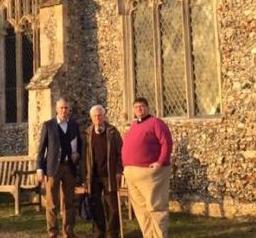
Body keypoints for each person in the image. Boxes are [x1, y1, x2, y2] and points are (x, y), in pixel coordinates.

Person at [120, 97, 173, 238]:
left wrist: (160, 163)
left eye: (142, 106)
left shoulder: (156, 123)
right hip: (132, 174)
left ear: (148, 107)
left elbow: (167, 143)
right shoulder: (134, 125)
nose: (139, 109)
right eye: (136, 107)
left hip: (151, 175)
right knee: (141, 211)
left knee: (156, 207)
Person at [37, 98, 82, 238]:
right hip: (52, 168)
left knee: (69, 202)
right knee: (52, 203)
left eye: (66, 108)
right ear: (56, 109)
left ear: (69, 109)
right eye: (61, 108)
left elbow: (79, 144)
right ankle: (52, 232)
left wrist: (78, 154)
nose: (64, 110)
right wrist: (40, 169)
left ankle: (68, 232)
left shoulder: (74, 125)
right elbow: (41, 149)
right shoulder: (48, 125)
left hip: (69, 168)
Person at [81, 104, 123, 238]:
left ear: (104, 116)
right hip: (93, 176)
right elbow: (84, 158)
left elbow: (120, 154)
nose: (97, 118)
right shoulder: (87, 133)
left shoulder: (113, 132)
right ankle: (99, 232)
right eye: (95, 116)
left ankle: (112, 233)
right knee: (96, 205)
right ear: (91, 118)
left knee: (112, 206)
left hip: (109, 175)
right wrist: (85, 178)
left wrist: (118, 171)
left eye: (100, 115)